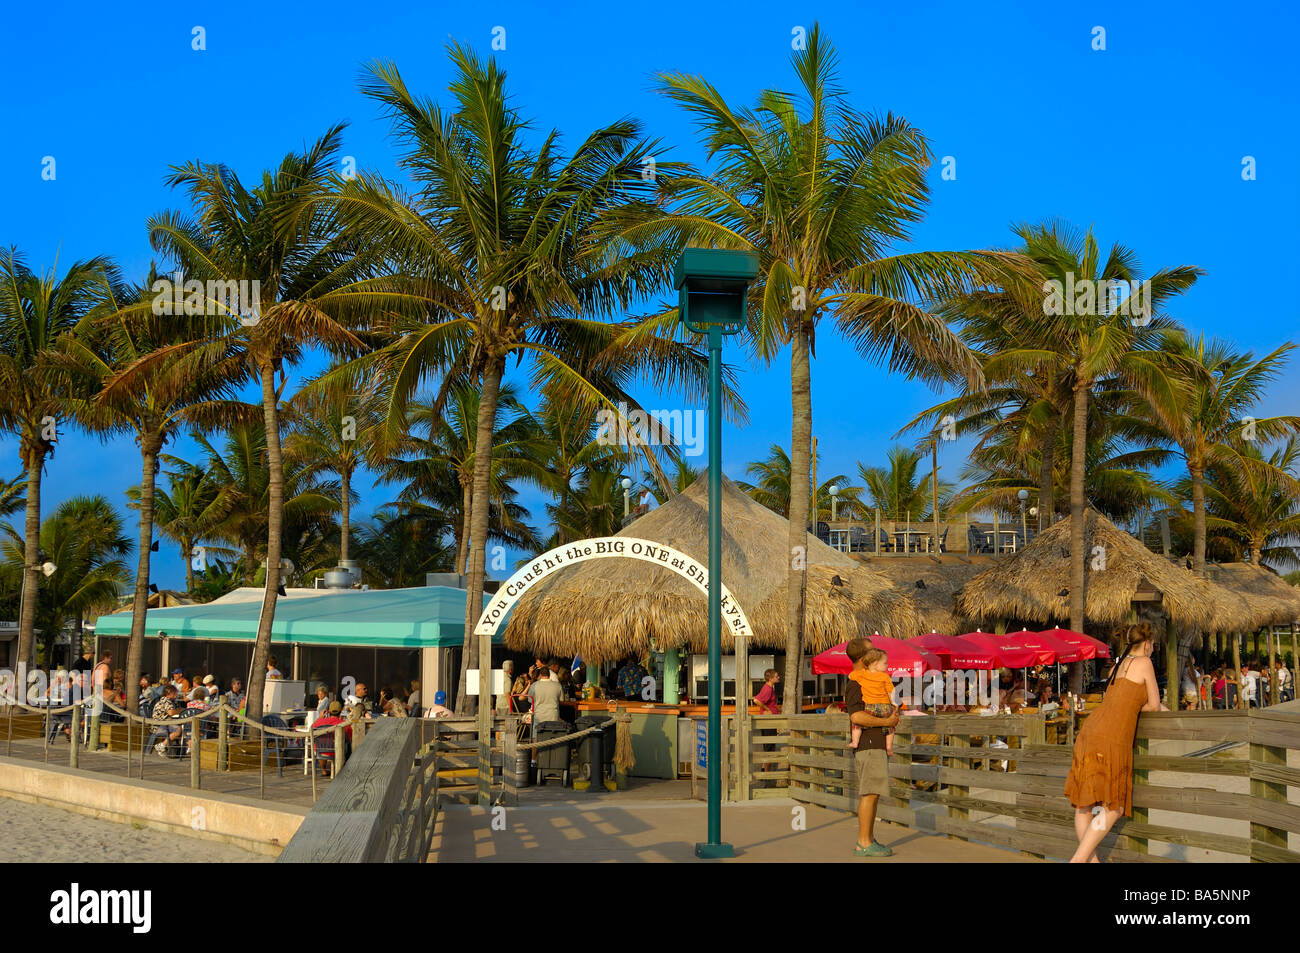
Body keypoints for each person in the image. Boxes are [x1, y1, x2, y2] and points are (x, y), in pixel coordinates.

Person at [1063, 622, 1167, 863]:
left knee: (1084, 804)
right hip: (1113, 737)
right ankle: (1077, 861)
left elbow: (1122, 699)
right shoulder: (1145, 663)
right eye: (1153, 645)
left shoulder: (1116, 668)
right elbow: (1152, 704)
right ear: (1148, 643)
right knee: (1114, 807)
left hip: (1090, 731)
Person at [844, 638, 900, 857]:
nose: (877, 652)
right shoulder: (855, 683)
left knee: (873, 793)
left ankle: (868, 838)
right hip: (868, 743)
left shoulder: (872, 680)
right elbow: (856, 715)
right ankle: (864, 842)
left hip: (875, 742)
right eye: (872, 650)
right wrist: (886, 722)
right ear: (862, 658)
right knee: (869, 793)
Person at [848, 650, 896, 755]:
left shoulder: (861, 674)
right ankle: (888, 747)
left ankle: (855, 742)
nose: (887, 665)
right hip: (885, 707)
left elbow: (851, 676)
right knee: (890, 727)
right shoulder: (885, 677)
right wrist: (894, 705)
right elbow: (891, 692)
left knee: (857, 724)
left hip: (869, 707)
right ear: (875, 663)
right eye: (884, 663)